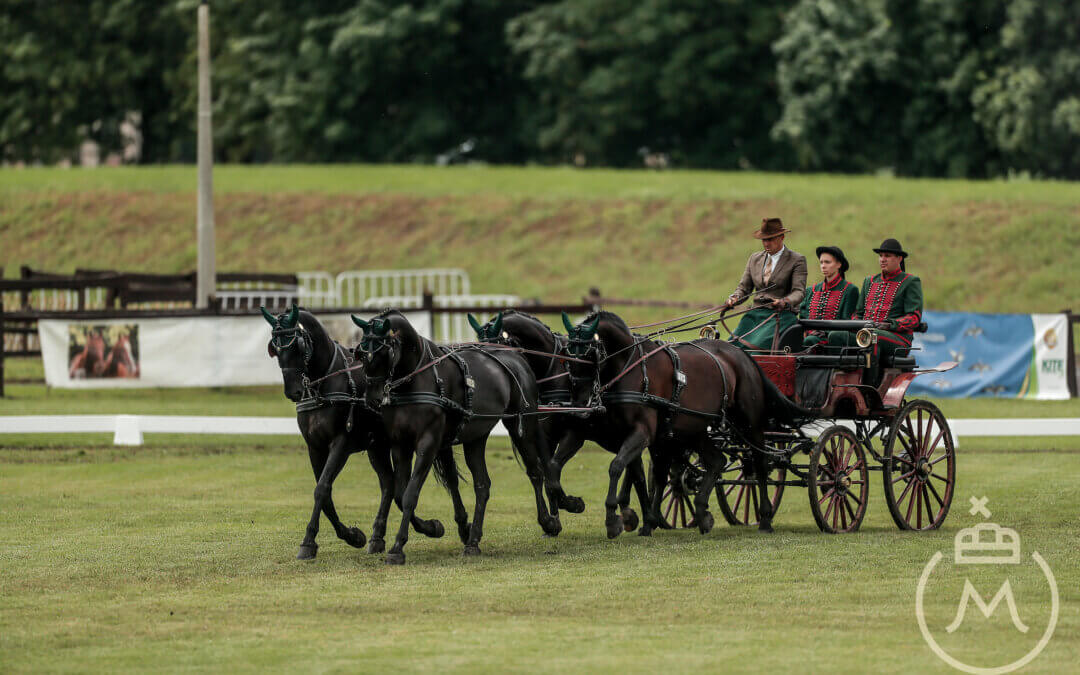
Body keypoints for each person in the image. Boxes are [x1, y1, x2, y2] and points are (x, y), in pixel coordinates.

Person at [827, 238, 923, 367]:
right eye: (881, 256)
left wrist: (890, 325)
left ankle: (868, 385)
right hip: (866, 333)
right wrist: (857, 324)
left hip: (898, 338)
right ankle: (841, 375)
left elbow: (914, 317)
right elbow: (858, 313)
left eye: (887, 256)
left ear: (899, 258)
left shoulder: (910, 281)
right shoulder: (869, 281)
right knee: (835, 336)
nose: (882, 259)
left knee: (871, 337)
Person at [723, 217, 807, 351]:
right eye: (764, 240)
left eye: (770, 239)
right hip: (754, 315)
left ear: (782, 237)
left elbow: (799, 292)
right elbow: (744, 288)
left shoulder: (797, 260)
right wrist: (734, 298)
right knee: (730, 349)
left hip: (780, 316)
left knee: (756, 350)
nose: (766, 243)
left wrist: (784, 301)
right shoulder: (754, 259)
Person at [799, 246, 859, 347]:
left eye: (827, 262)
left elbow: (847, 321)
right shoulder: (811, 290)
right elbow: (803, 319)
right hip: (810, 338)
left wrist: (825, 332)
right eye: (821, 262)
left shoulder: (849, 290)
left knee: (810, 341)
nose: (823, 266)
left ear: (839, 264)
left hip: (834, 341)